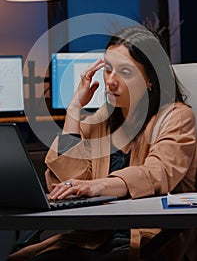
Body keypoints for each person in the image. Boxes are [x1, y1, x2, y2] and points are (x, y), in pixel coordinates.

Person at [9, 25, 197, 261]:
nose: (111, 81)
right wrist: (74, 110)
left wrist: (98, 186)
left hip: (149, 241)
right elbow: (64, 183)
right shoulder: (100, 121)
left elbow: (156, 174)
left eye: (125, 72)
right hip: (95, 239)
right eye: (108, 70)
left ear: (151, 79)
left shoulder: (176, 117)